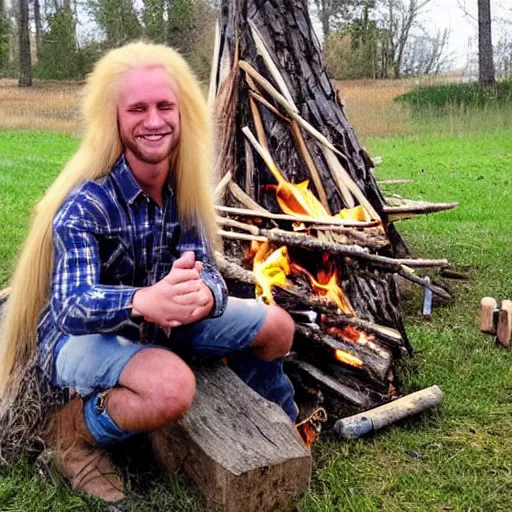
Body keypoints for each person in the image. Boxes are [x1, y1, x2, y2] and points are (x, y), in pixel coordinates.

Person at [0, 42, 296, 507]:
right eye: (137, 108)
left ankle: (275, 432)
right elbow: (71, 307)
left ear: (183, 114)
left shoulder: (184, 188)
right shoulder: (85, 204)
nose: (154, 121)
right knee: (171, 387)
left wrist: (206, 296)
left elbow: (210, 274)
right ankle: (71, 435)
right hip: (80, 340)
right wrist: (142, 301)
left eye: (165, 106)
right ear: (114, 119)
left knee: (278, 327)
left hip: (161, 325)